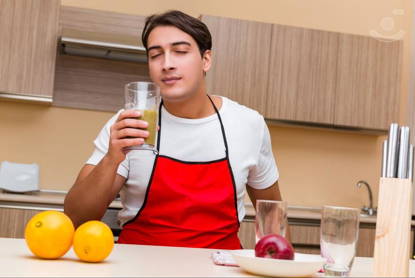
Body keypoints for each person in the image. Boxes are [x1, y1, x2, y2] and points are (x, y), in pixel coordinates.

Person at [64, 10, 282, 250]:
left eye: (180, 51)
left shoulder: (247, 123)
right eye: (155, 55)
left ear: (205, 60)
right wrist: (112, 158)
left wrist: (277, 268)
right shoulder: (128, 124)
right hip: (140, 267)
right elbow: (76, 218)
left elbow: (271, 214)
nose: (167, 64)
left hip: (220, 269)